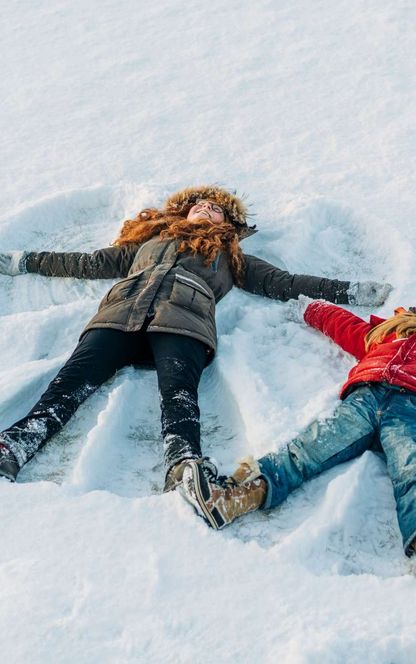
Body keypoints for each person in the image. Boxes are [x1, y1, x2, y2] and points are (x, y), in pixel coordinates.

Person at [0, 186, 391, 488]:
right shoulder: (147, 243)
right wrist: (22, 262)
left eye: (215, 207)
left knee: (179, 393)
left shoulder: (229, 254)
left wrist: (350, 291)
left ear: (227, 222)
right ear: (183, 210)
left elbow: (284, 283)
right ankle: (18, 443)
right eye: (199, 204)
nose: (205, 208)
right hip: (120, 314)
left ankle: (183, 461)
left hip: (185, 322)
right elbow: (86, 263)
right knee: (70, 382)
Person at [180, 299, 416, 557]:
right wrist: (311, 308)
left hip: (408, 409)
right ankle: (231, 498)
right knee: (304, 451)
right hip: (364, 399)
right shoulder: (383, 336)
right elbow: (343, 325)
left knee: (411, 467)